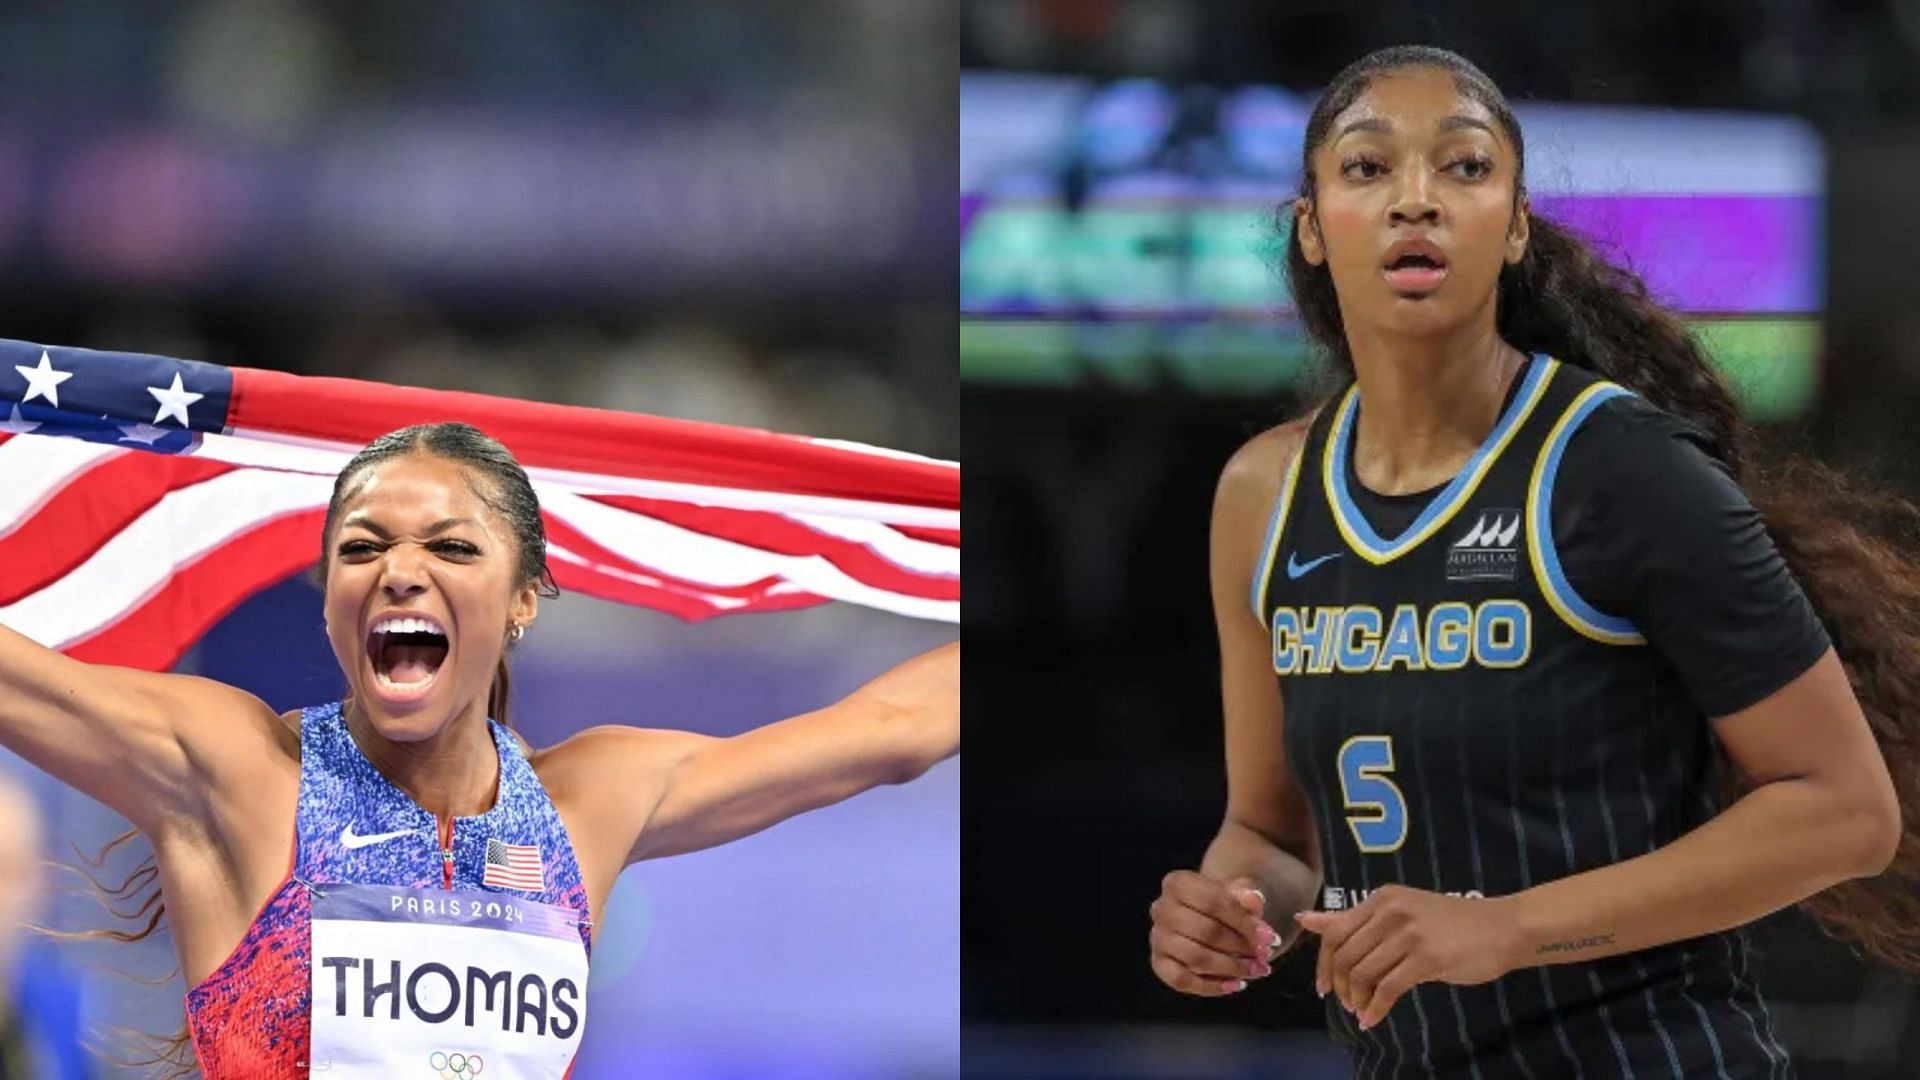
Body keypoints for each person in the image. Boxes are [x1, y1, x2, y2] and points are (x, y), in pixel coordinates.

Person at [1146, 45, 1919, 1076]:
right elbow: (1272, 837)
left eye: (1463, 168)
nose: (1414, 200)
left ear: (1512, 229)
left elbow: (1846, 811)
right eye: (1368, 168)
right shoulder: (1262, 494)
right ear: (1311, 229)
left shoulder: (1617, 467)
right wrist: (1231, 911)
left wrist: (1506, 927)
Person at [0, 420, 958, 1078]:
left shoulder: (595, 799)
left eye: (452, 550)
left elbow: (892, 732)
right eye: (362, 547)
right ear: (330, 601)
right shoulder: (239, 772)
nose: (401, 572)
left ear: (522, 600)